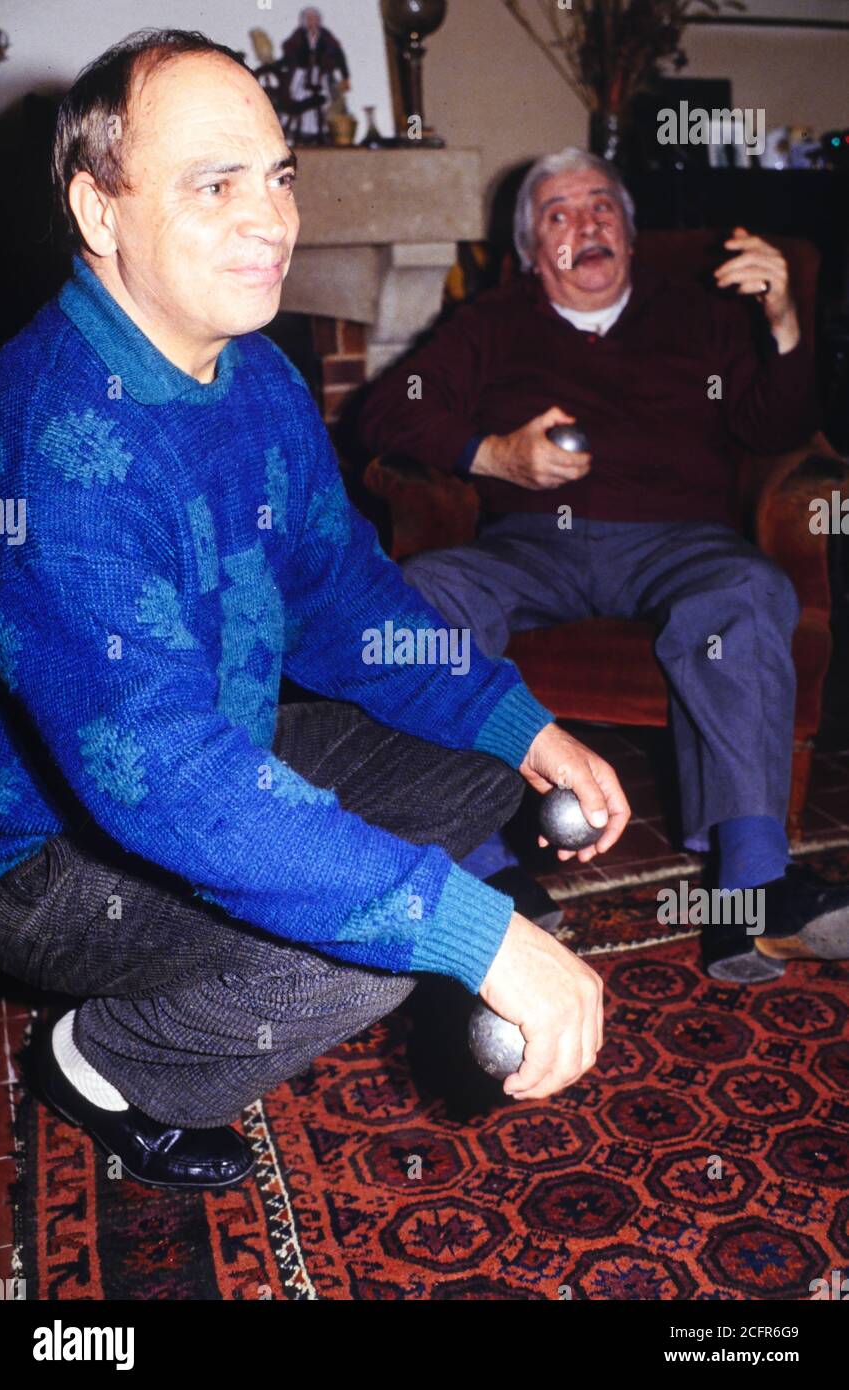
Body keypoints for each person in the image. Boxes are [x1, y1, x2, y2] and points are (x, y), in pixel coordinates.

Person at [0, 35, 629, 1192]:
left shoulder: (259, 373)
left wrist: (517, 720)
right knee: (365, 950)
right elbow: (167, 780)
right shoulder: (52, 449)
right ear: (98, 210)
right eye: (214, 183)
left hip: (207, 746)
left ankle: (421, 875)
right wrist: (462, 931)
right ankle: (103, 1060)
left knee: (483, 769)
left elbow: (343, 597)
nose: (271, 219)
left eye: (277, 175)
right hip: (42, 856)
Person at [357, 148, 849, 983]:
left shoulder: (698, 316)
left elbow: (776, 426)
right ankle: (483, 872)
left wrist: (786, 324)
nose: (585, 226)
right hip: (530, 548)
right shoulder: (493, 323)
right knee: (422, 596)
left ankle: (753, 892)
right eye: (558, 214)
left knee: (749, 588)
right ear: (530, 250)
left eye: (602, 209)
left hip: (679, 542)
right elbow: (384, 413)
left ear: (629, 230)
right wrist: (495, 454)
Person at [281, 7, 350, 144]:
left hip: (321, 74)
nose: (312, 21)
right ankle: (299, 132)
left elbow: (338, 54)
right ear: (304, 21)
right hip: (302, 74)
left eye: (315, 18)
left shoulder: (325, 36)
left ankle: (321, 133)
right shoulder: (299, 35)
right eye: (309, 19)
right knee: (298, 98)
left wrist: (345, 76)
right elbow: (289, 52)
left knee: (325, 102)